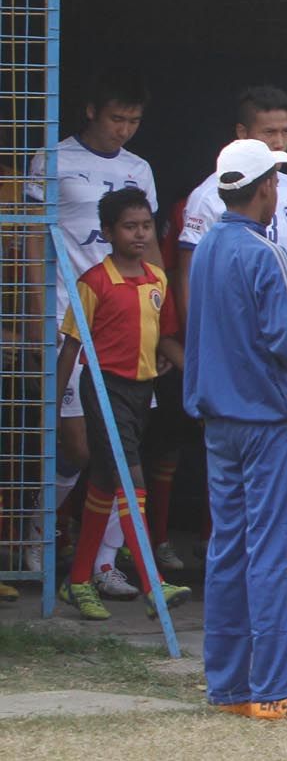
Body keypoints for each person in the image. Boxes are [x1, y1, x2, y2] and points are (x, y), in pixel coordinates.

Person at [184, 139, 287, 720]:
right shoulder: (265, 253)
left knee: (228, 550)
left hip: (218, 419)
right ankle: (277, 688)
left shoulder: (205, 249)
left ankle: (228, 686)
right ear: (266, 187)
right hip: (268, 420)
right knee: (274, 549)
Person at [27, 70, 158, 558]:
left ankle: (100, 564)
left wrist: (161, 319)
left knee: (117, 452)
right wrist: (37, 312)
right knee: (79, 448)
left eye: (133, 121)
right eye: (115, 118)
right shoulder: (54, 159)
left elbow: (150, 248)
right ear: (90, 111)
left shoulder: (139, 169)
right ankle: (38, 539)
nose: (122, 129)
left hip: (125, 327)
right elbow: (29, 241)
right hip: (69, 318)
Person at [53, 188, 189, 619]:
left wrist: (179, 366)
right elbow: (71, 349)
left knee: (103, 486)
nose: (139, 233)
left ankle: (76, 582)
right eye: (129, 226)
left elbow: (164, 335)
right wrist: (53, 407)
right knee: (133, 483)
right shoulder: (92, 282)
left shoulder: (157, 278)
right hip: (104, 389)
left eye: (146, 225)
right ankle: (153, 583)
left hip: (141, 392)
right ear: (108, 232)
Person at [176, 86, 287, 317]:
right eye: (269, 132)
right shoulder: (209, 195)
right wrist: (196, 338)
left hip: (284, 319)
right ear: (242, 132)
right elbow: (188, 274)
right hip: (229, 317)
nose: (279, 141)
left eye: (285, 131)